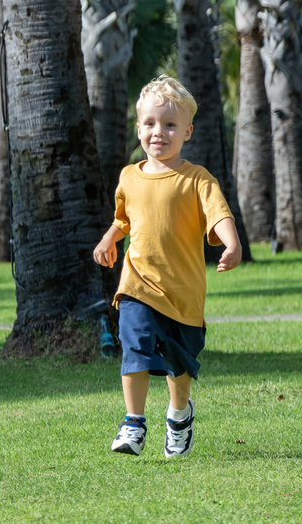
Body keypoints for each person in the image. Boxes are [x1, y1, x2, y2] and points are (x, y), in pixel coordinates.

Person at [93, 75, 241, 458]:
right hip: (137, 285)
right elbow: (125, 217)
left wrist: (232, 241)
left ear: (187, 131)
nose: (159, 132)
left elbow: (218, 214)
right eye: (150, 124)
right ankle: (134, 422)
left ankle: (178, 416)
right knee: (134, 348)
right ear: (138, 127)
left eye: (170, 124)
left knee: (180, 366)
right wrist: (110, 237)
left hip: (184, 293)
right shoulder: (129, 176)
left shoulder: (197, 180)